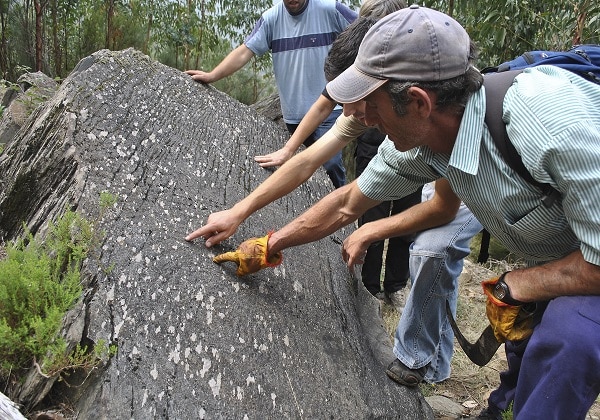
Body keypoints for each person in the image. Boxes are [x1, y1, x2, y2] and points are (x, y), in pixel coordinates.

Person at [213, 6, 600, 418]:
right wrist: (268, 244)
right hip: (567, 244)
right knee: (529, 335)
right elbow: (346, 203)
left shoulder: (546, 126)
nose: (358, 117)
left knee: (569, 334)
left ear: (417, 102)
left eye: (371, 107)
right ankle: (504, 406)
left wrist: (522, 281)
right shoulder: (424, 141)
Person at [186, 13, 482, 387]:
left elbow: (446, 208)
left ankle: (424, 358)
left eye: (356, 99)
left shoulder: (529, 126)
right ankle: (437, 364)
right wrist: (247, 219)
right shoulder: (374, 112)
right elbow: (323, 177)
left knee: (434, 250)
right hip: (445, 165)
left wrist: (527, 284)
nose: (348, 113)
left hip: (495, 188)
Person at [185, 0, 357, 188]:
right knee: (298, 173)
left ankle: (340, 210)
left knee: (330, 165)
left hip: (328, 109)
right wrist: (212, 75)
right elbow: (245, 51)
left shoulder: (330, 9)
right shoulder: (271, 19)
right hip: (294, 115)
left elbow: (364, 33)